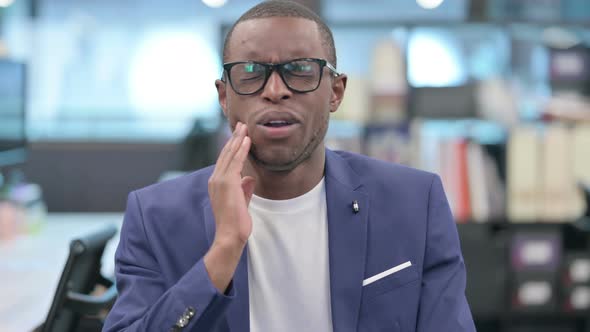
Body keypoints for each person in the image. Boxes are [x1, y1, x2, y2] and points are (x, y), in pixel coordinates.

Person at [103, 1, 476, 331]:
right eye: (250, 71)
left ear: (335, 92)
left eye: (299, 69)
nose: (275, 90)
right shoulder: (154, 217)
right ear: (224, 97)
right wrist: (224, 249)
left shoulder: (414, 203)